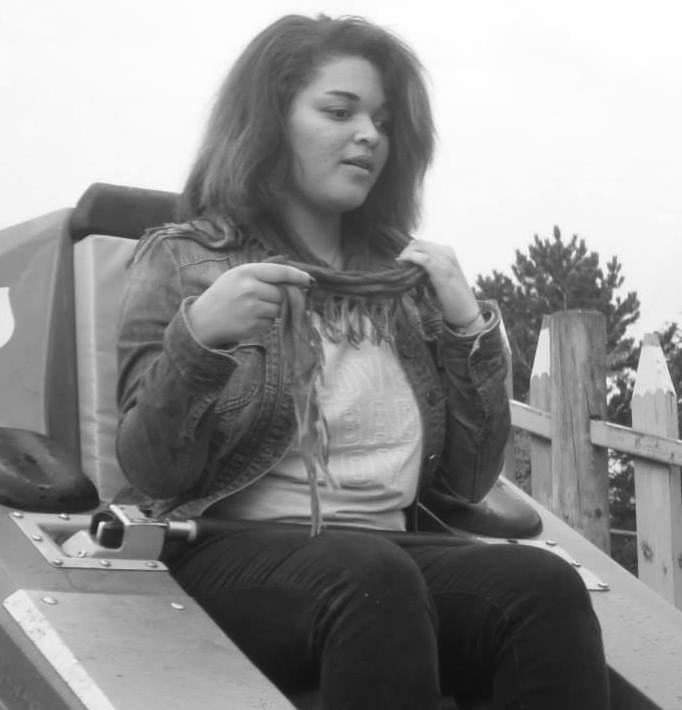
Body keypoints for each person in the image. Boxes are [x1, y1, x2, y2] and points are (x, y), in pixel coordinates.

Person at [116, 14, 609, 710]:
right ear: (268, 123)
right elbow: (152, 472)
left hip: (388, 558)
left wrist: (468, 329)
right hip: (225, 551)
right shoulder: (184, 260)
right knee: (370, 576)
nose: (370, 135)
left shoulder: (405, 283)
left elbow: (467, 481)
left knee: (543, 586)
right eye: (339, 111)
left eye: (382, 121)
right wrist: (201, 340)